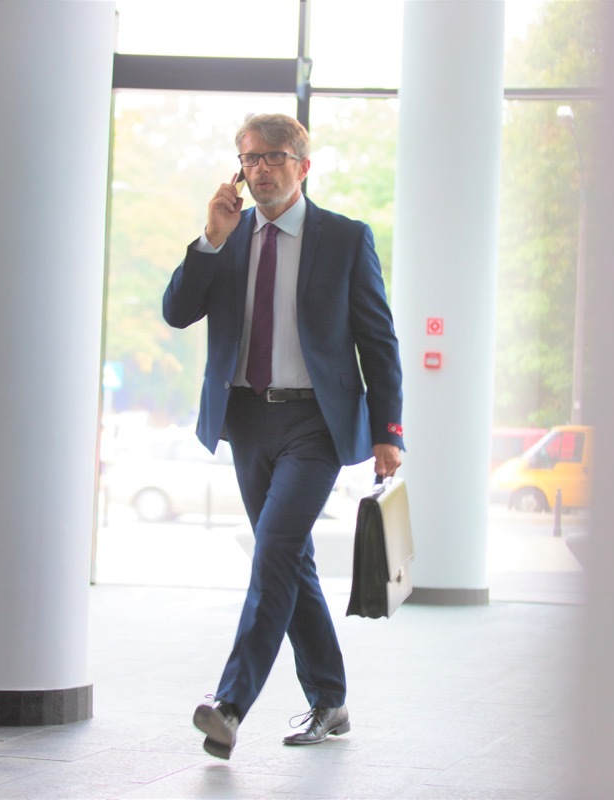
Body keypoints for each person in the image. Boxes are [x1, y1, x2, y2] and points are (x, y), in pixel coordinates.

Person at [162, 113, 404, 760]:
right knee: (289, 560)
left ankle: (230, 704)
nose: (259, 168)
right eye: (248, 158)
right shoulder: (228, 235)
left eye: (273, 157)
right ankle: (331, 700)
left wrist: (388, 430)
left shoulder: (344, 239)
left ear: (303, 165)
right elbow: (177, 312)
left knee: (273, 553)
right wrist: (210, 240)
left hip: (314, 423)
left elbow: (377, 341)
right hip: (245, 419)